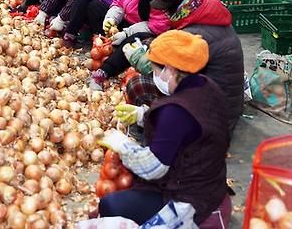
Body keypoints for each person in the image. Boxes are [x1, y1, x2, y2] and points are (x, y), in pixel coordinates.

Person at [98, 30, 232, 228]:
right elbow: (187, 129)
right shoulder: (209, 87)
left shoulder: (175, 111)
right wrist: (142, 115)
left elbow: (153, 168)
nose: (155, 76)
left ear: (169, 70)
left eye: (155, 70)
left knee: (110, 205)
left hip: (190, 196)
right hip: (213, 184)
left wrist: (123, 145)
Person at [123, 0, 244, 132]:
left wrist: (138, 58)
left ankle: (153, 127)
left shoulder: (196, 36)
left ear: (181, 5)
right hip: (222, 101)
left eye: (167, 9)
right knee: (150, 42)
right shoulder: (206, 13)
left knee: (137, 85)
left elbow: (172, 75)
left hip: (212, 118)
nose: (165, 13)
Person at [87, 0, 172, 90]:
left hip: (144, 31)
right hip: (125, 22)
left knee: (133, 39)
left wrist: (127, 33)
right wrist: (111, 17)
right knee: (94, 7)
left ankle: (104, 71)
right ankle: (101, 47)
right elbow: (119, 2)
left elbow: (158, 26)